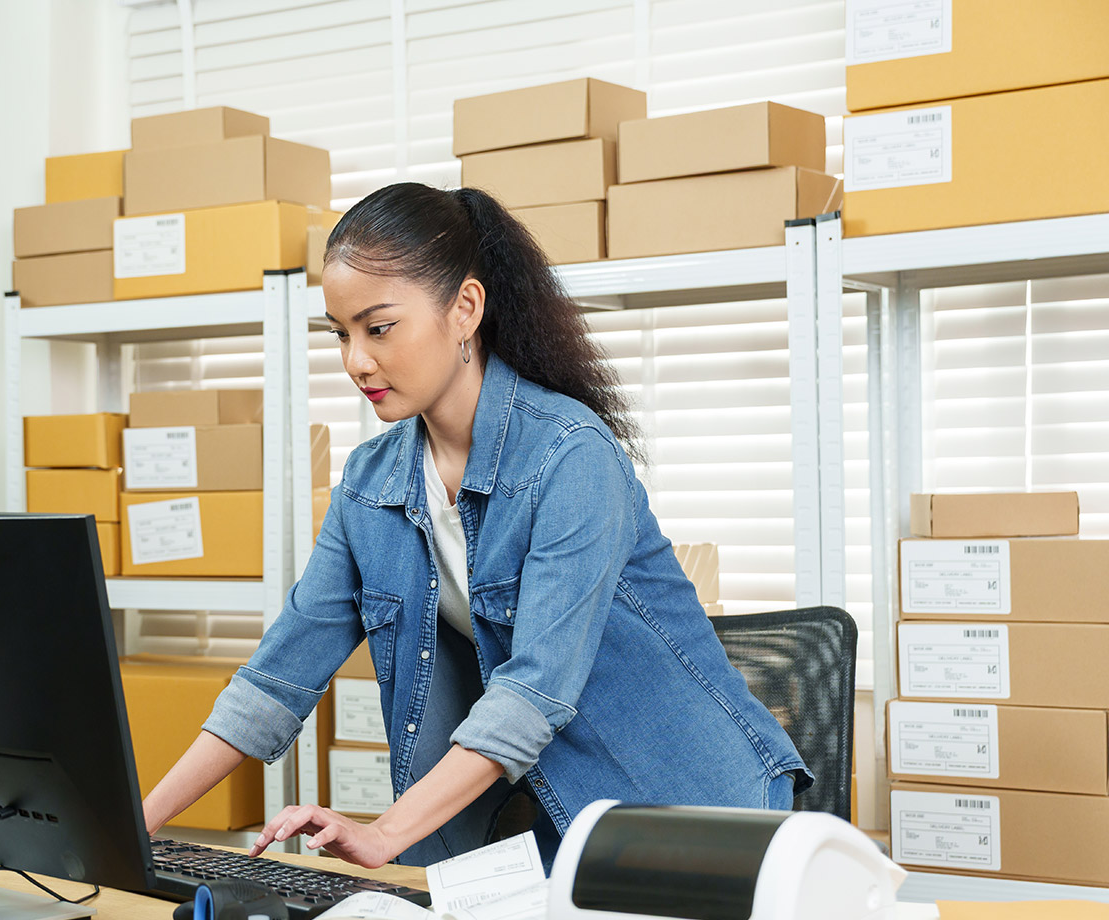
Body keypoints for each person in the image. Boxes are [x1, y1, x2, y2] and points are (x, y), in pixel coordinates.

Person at [140, 182, 811, 872]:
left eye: (378, 328)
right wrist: (137, 824)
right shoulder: (370, 485)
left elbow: (531, 694)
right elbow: (274, 680)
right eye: (340, 334)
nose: (355, 361)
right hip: (545, 829)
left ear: (464, 309)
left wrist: (383, 833)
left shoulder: (570, 457)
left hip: (686, 812)